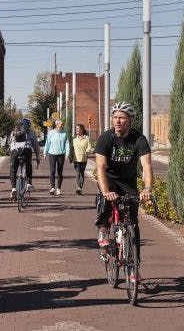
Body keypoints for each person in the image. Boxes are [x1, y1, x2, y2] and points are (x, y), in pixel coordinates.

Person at [94, 101, 153, 283]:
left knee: (133, 225)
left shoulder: (139, 139)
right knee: (105, 202)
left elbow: (146, 166)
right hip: (109, 180)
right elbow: (100, 168)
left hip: (128, 182)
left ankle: (133, 268)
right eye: (115, 117)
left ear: (130, 120)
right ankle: (104, 229)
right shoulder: (105, 138)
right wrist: (105, 192)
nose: (117, 121)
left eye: (122, 117)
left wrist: (147, 188)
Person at [8, 118, 40, 201]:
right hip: (26, 150)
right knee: (28, 164)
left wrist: (11, 154)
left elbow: (10, 143)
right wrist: (37, 157)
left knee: (13, 170)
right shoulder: (31, 132)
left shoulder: (14, 131)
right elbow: (36, 146)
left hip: (15, 151)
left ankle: (14, 188)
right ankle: (29, 183)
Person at [43, 119, 70, 196]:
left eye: (62, 124)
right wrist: (45, 153)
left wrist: (67, 154)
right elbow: (47, 143)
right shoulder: (51, 133)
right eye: (61, 124)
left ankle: (58, 189)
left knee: (60, 172)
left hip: (61, 154)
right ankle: (52, 188)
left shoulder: (64, 134)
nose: (62, 125)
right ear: (57, 124)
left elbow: (67, 144)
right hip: (52, 154)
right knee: (52, 171)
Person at [70, 123, 90, 195]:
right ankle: (79, 188)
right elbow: (71, 149)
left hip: (83, 158)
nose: (77, 130)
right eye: (76, 129)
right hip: (76, 158)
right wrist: (70, 156)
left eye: (78, 129)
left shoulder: (86, 138)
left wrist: (87, 151)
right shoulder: (74, 139)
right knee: (78, 173)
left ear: (82, 130)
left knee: (82, 173)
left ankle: (80, 188)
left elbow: (89, 146)